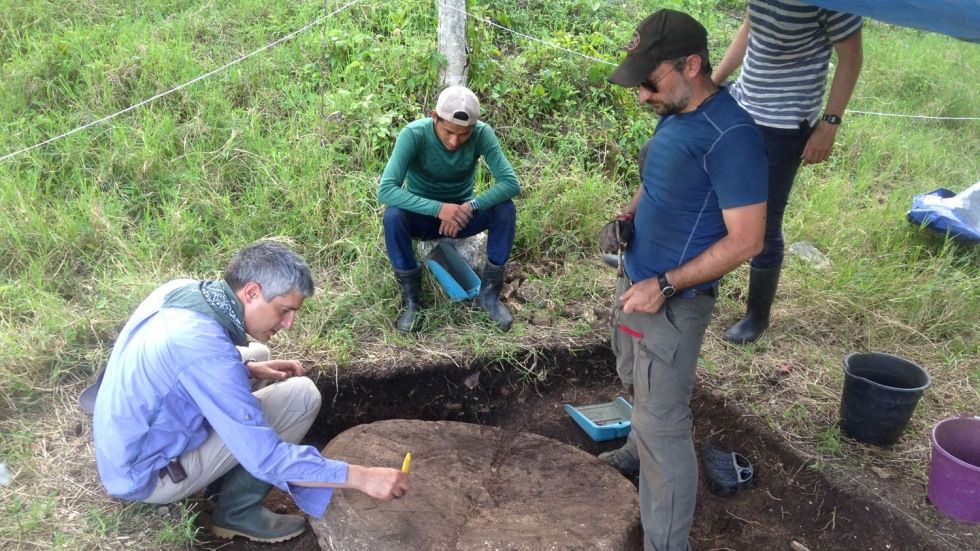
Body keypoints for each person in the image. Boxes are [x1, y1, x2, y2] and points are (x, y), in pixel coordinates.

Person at [92, 241, 409, 543]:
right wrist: (363, 477)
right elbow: (267, 457)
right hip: (147, 474)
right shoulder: (202, 348)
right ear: (252, 292)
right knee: (301, 398)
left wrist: (245, 370)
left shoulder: (183, 291)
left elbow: (185, 369)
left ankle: (220, 483)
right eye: (284, 310)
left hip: (130, 440)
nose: (289, 324)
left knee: (256, 354)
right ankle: (235, 513)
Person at [601, 9, 768, 550]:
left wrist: (666, 284)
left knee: (664, 429)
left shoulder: (733, 137)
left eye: (650, 82)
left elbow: (747, 240)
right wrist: (628, 216)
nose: (643, 95)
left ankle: (666, 544)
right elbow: (657, 181)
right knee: (632, 375)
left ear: (691, 65)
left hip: (673, 302)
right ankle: (632, 448)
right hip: (639, 282)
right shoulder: (677, 110)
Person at [712, 0, 863, 344]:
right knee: (711, 197)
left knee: (764, 220)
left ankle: (757, 316)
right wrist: (713, 83)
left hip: (783, 124)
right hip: (741, 104)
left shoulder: (831, 4)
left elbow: (851, 59)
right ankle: (697, 279)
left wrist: (829, 125)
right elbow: (750, 28)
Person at [378, 85, 521, 333]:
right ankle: (413, 302)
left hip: (464, 215)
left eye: (464, 134)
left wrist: (470, 207)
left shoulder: (482, 134)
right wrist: (438, 209)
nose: (455, 141)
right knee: (393, 216)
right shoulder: (414, 134)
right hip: (423, 217)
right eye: (448, 132)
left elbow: (510, 183)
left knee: (505, 210)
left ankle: (489, 295)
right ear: (434, 116)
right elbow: (387, 190)